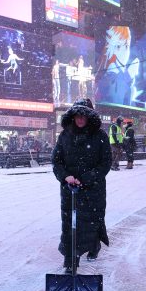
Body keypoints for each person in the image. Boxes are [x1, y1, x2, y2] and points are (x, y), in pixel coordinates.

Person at [52, 98, 112, 273]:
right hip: (70, 189)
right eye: (77, 115)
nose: (80, 119)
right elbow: (56, 161)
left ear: (89, 118)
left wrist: (86, 178)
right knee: (70, 224)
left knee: (91, 221)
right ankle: (70, 260)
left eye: (83, 116)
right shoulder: (64, 136)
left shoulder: (100, 136)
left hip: (93, 189)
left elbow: (105, 163)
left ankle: (93, 245)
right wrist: (65, 176)